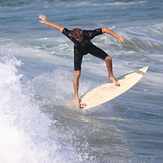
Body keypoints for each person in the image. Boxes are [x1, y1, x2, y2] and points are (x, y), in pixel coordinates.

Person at [39, 14, 124, 109]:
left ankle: (111, 76)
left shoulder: (88, 34)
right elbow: (59, 27)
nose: (78, 40)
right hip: (78, 51)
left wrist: (117, 36)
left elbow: (104, 29)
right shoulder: (71, 35)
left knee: (109, 59)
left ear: (82, 35)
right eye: (76, 39)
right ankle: (76, 96)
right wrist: (46, 22)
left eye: (79, 38)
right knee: (77, 74)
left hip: (90, 48)